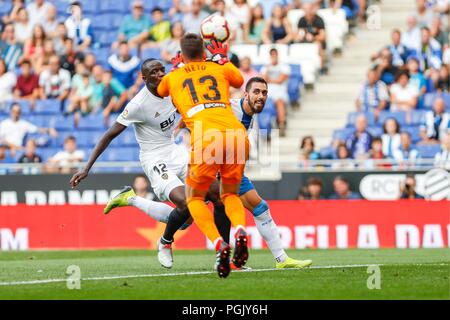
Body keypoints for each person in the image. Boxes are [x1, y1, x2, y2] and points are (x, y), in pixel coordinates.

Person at [157, 34, 250, 278]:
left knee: (194, 198)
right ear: (204, 50)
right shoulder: (217, 67)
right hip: (236, 134)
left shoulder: (175, 75)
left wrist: (179, 66)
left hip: (206, 137)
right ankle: (240, 229)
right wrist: (222, 58)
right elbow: (240, 81)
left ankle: (220, 244)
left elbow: (160, 89)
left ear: (182, 53)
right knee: (229, 193)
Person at [261, 48, 290, 136]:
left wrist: (269, 80)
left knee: (279, 102)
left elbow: (280, 80)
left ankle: (281, 124)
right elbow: (263, 79)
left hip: (280, 90)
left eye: (275, 54)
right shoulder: (265, 67)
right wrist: (268, 68)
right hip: (268, 90)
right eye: (272, 55)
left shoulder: (284, 66)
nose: (274, 56)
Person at [296, 2, 326, 68]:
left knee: (318, 45)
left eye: (308, 9)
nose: (307, 11)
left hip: (316, 41)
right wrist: (300, 37)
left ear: (312, 9)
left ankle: (321, 67)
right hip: (304, 41)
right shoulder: (301, 20)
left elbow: (323, 36)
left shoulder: (319, 20)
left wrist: (314, 38)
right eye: (305, 9)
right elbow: (297, 34)